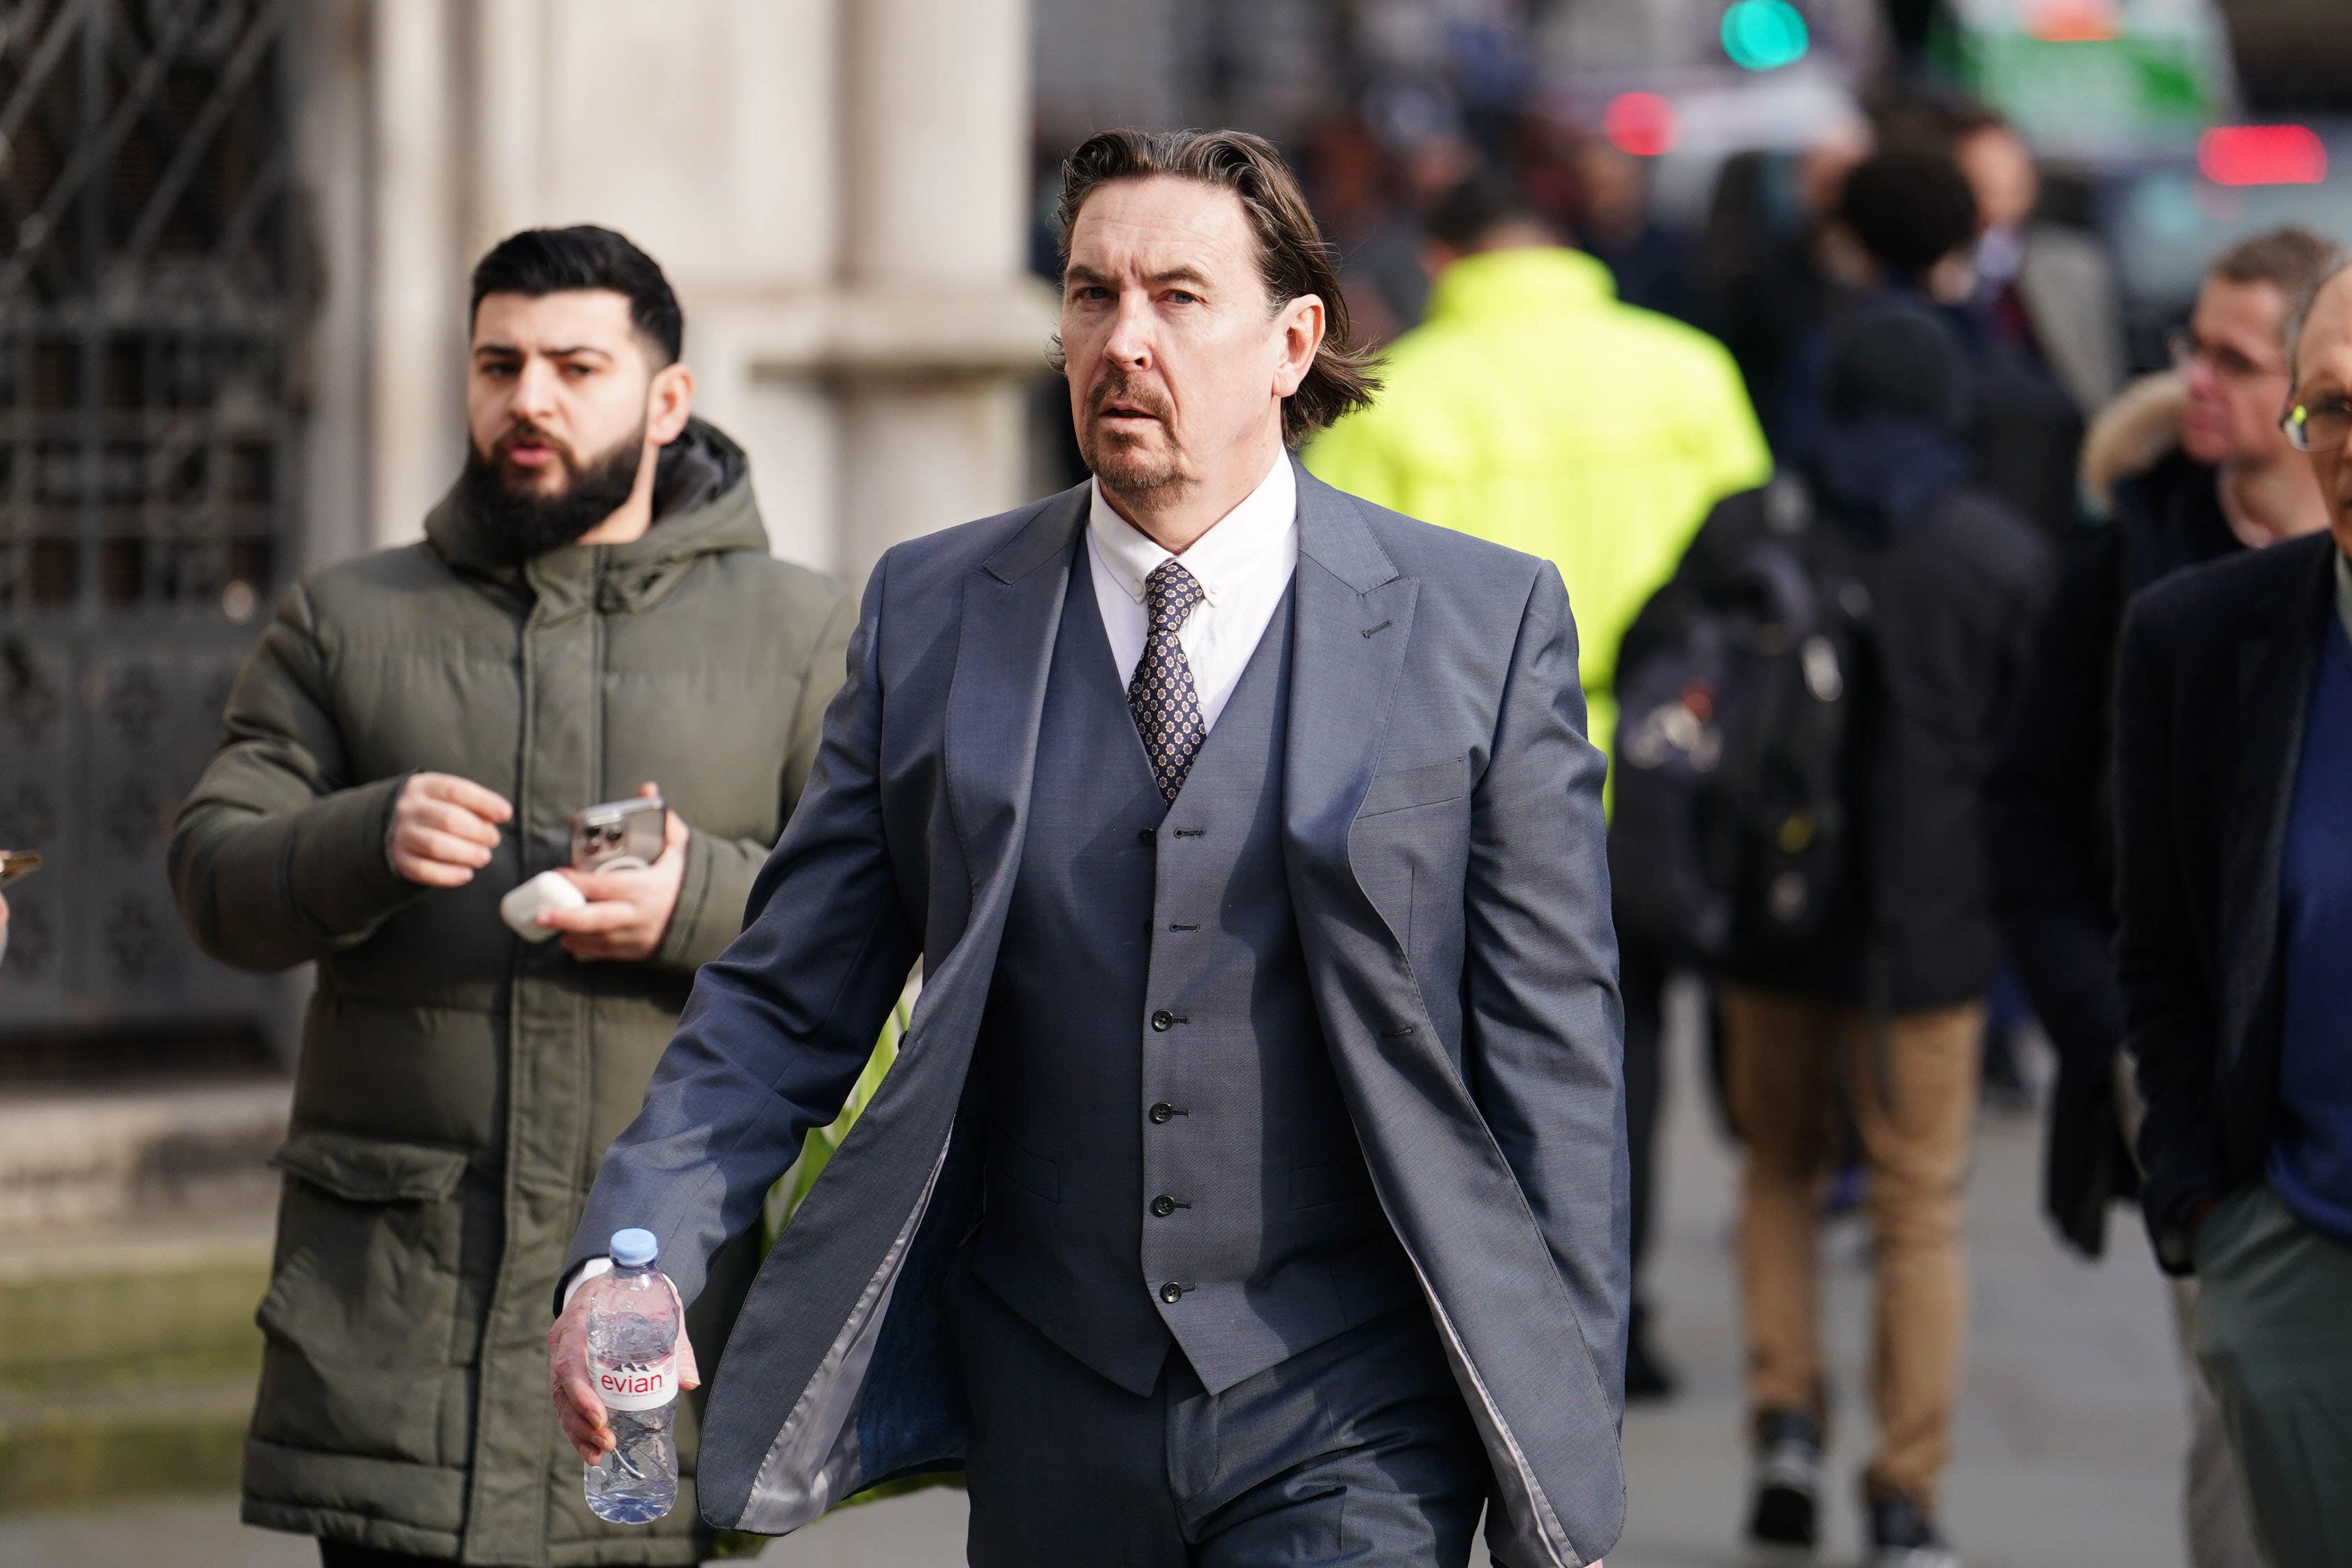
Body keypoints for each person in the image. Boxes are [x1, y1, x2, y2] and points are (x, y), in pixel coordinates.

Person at [549, 128, 1630, 1568]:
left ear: (1290, 340)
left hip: (1352, 1405)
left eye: (1178, 297)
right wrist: (641, 1248)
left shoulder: (1478, 625)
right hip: (1051, 1395)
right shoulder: (934, 612)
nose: (1122, 339)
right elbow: (779, 1002)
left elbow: (1553, 1058)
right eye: (1087, 294)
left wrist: (1560, 1449)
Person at [168, 226, 854, 1567]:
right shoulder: (342, 621)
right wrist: (356, 839)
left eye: (573, 365)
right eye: (499, 363)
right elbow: (211, 879)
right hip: (390, 1323)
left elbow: (889, 925)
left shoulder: (805, 633)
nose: (527, 398)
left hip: (653, 1307)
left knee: (625, 1538)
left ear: (668, 400)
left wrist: (697, 902)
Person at [1307, 169, 1768, 1403]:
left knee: (1470, 1042)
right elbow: (1752, 576)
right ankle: (1621, 1305)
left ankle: (1483, 1301)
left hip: (1464, 780)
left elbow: (1335, 609)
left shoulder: (1401, 398)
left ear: (1448, 263)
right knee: (1630, 1051)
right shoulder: (1689, 372)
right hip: (1666, 763)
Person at [1658, 299, 2048, 1567]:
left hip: (1772, 926)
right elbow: (2036, 760)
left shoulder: (1756, 525)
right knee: (1916, 1205)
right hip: (1927, 937)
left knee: (1775, 1170)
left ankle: (1782, 1419)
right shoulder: (1991, 550)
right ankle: (1904, 1490)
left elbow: (1664, 674)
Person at [1990, 227, 2335, 1568]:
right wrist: (2111, 1033)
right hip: (2203, 1078)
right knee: (2237, 1408)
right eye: (2193, 346)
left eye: (2233, 360)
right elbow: (2025, 802)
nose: (2195, 377)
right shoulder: (2139, 571)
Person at [2115, 252, 2352, 1568]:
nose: (2350, 447)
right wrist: (2215, 1213)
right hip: (2300, 1255)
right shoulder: (2201, 637)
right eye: (2330, 410)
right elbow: (2162, 951)